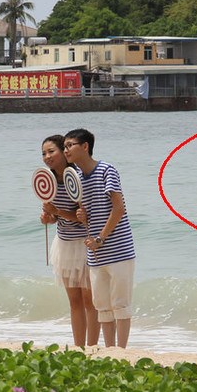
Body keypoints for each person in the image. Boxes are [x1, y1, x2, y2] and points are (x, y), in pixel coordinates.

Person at [64, 128, 136, 348]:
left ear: (85, 147)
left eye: (70, 145)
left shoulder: (106, 170)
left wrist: (101, 239)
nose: (66, 150)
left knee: (120, 303)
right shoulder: (75, 176)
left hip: (118, 249)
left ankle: (121, 351)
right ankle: (109, 350)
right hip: (95, 252)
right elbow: (88, 211)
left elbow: (118, 209)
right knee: (102, 305)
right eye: (64, 146)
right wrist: (82, 215)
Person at [39, 135, 100, 347]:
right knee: (74, 301)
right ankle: (78, 347)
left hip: (84, 243)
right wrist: (48, 217)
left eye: (52, 151)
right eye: (44, 153)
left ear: (65, 153)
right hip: (63, 244)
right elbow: (54, 216)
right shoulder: (48, 181)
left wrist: (58, 212)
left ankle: (92, 347)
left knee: (89, 301)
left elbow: (83, 215)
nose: (47, 157)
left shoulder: (78, 177)